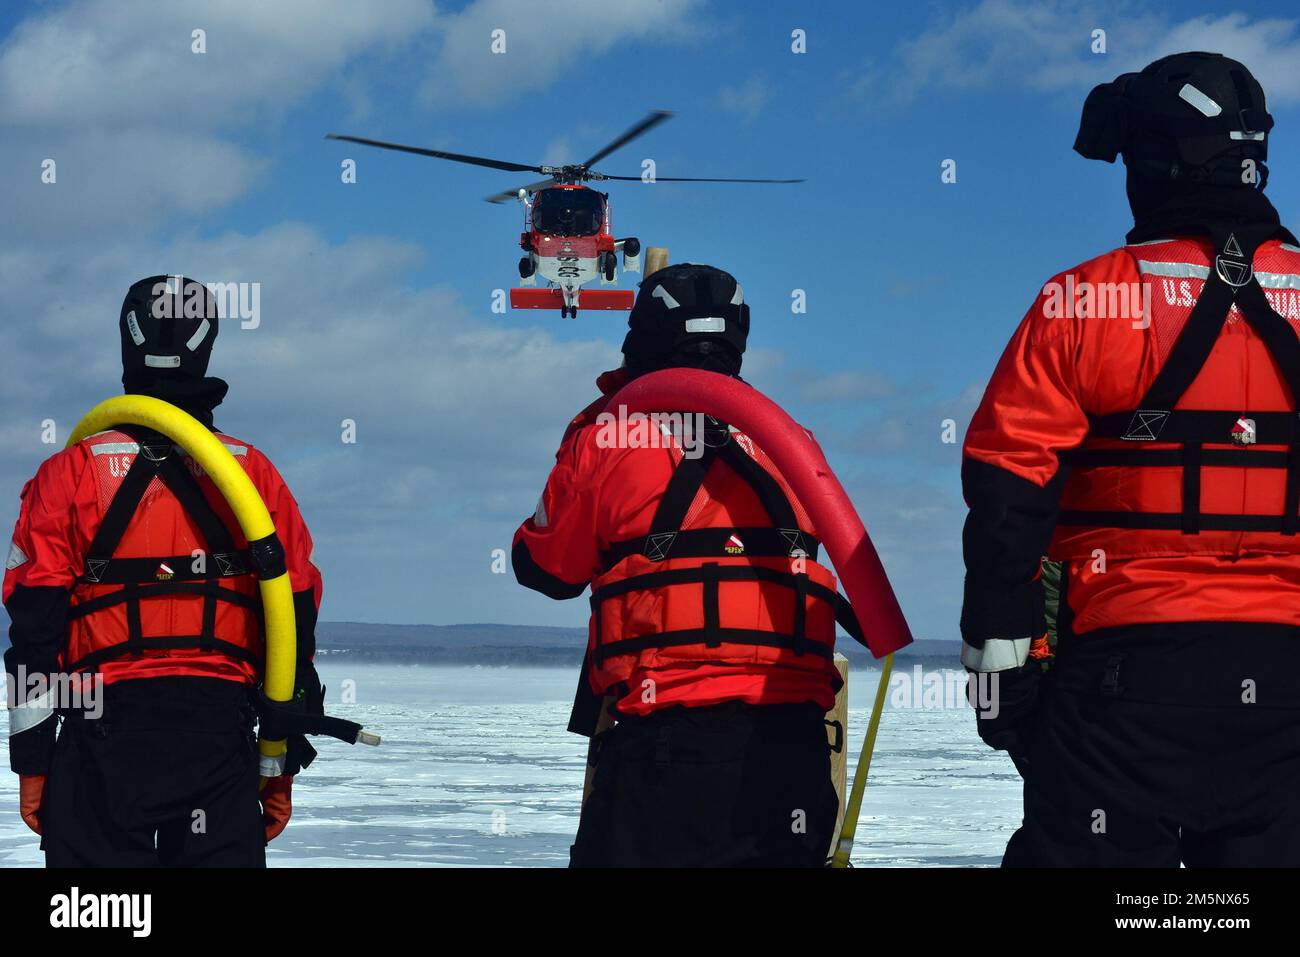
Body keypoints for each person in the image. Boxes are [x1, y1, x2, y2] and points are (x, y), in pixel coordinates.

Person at [961, 52, 1300, 866]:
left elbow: (1008, 487)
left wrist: (995, 672)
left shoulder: (1082, 302)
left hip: (1124, 686)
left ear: (1151, 162)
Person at [513, 264, 851, 867]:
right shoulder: (793, 443)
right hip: (796, 744)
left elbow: (548, 569)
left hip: (672, 741)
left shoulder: (610, 434)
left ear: (641, 337)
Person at [4, 275, 328, 866]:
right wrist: (278, 767)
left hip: (101, 738)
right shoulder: (255, 476)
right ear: (207, 347)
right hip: (217, 737)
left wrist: (32, 765)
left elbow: (33, 633)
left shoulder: (67, 474)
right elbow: (294, 626)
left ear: (127, 344)